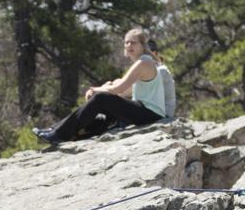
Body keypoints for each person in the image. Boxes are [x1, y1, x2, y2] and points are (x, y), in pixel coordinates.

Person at [32, 28, 165, 144]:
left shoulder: (143, 63)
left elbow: (118, 89)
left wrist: (96, 90)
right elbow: (122, 88)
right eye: (126, 42)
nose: (129, 45)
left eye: (134, 42)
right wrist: (103, 89)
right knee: (103, 108)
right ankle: (59, 131)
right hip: (146, 111)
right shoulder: (143, 62)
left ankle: (58, 134)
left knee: (101, 99)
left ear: (142, 45)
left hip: (150, 114)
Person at [148, 38, 178, 121]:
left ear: (153, 54)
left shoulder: (161, 70)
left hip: (163, 115)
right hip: (153, 112)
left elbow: (130, 89)